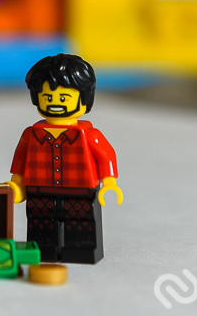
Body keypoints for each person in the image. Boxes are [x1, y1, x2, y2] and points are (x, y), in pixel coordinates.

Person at [6, 54, 123, 264]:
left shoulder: (89, 135)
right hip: (39, 191)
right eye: (47, 97)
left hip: (79, 191)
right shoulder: (31, 134)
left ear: (85, 98)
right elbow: (20, 161)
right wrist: (17, 184)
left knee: (81, 222)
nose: (54, 103)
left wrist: (109, 183)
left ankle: (81, 249)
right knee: (40, 223)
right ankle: (43, 249)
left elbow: (106, 156)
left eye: (63, 98)